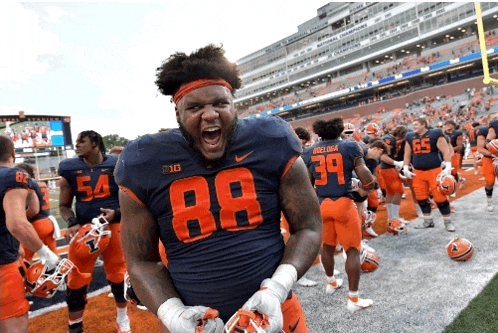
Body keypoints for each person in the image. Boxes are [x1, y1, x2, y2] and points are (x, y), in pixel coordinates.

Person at [115, 44, 322, 333]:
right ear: (177, 113)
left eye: (219, 104)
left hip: (273, 311)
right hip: (195, 322)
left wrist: (277, 289)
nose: (210, 115)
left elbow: (308, 227)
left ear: (234, 105)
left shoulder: (270, 140)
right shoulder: (144, 160)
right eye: (195, 107)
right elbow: (141, 261)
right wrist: (173, 315)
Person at [58, 130, 130, 333]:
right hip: (84, 229)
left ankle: (122, 318)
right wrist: (71, 221)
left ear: (95, 144)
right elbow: (63, 205)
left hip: (114, 226)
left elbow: (133, 198)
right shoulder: (70, 169)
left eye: (82, 141)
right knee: (77, 278)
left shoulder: (118, 164)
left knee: (118, 275)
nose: (77, 145)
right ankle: (75, 325)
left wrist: (116, 213)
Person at [302, 117, 376, 313]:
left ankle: (331, 282)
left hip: (322, 204)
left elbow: (308, 186)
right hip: (343, 203)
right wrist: (359, 185)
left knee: (327, 246)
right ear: (339, 130)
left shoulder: (309, 152)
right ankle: (353, 298)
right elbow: (368, 182)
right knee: (352, 250)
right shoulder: (350, 147)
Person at [0, 135, 59, 333]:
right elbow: (17, 223)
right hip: (2, 265)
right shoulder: (12, 176)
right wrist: (46, 254)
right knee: (14, 325)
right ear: (12, 153)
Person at [403, 117, 455, 231]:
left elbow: (445, 150)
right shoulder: (409, 136)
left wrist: (448, 165)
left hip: (434, 170)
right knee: (421, 197)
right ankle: (428, 221)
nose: (414, 126)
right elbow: (407, 153)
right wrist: (406, 167)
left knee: (440, 197)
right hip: (418, 172)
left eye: (416, 124)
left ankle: (447, 222)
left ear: (423, 125)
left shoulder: (435, 133)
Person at [15, 163, 60, 263]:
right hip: (48, 222)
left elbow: (33, 210)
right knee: (54, 256)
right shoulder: (41, 184)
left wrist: (17, 217)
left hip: (36, 225)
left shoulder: (27, 185)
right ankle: (58, 277)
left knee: (25, 259)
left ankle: (29, 279)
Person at [443, 120, 466, 194]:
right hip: (445, 154)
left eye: (449, 124)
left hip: (454, 154)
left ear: (453, 125)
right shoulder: (443, 133)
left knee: (453, 172)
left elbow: (459, 146)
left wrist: (448, 150)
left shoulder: (457, 133)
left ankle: (453, 189)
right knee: (445, 171)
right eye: (446, 124)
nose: (448, 126)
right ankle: (461, 180)